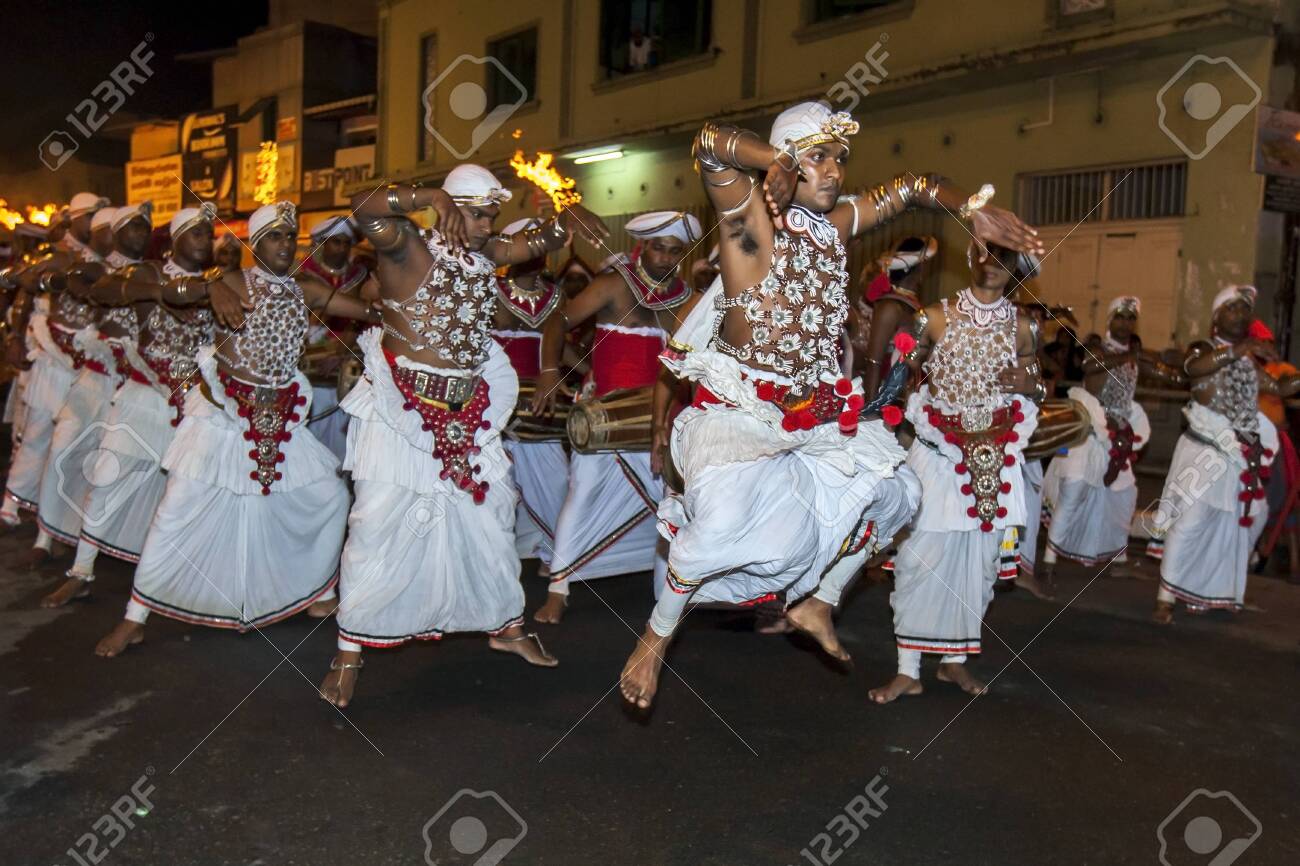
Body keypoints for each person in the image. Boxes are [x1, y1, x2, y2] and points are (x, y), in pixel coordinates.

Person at [618, 101, 1044, 710]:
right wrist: (776, 162)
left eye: (840, 159)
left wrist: (974, 209)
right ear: (789, 156)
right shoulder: (749, 223)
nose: (835, 171)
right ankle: (656, 638)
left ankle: (820, 600)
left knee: (901, 493)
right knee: (716, 531)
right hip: (739, 412)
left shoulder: (835, 226)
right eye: (819, 156)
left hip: (813, 412)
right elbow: (711, 143)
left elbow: (911, 189)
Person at [318, 168, 610, 707]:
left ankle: (507, 626)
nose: (485, 226)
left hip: (469, 409)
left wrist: (569, 214)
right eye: (476, 213)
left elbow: (544, 237)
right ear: (448, 208)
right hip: (402, 414)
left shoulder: (486, 255)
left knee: (493, 523)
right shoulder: (405, 248)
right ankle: (348, 653)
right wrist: (427, 195)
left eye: (491, 215)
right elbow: (362, 207)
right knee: (377, 530)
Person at [94, 201, 379, 657]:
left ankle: (316, 592)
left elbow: (367, 312)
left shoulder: (304, 289)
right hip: (221, 417)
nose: (285, 245)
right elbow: (170, 293)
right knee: (177, 511)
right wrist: (208, 288)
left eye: (290, 237)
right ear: (254, 244)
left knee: (329, 498)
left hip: (280, 418)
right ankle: (135, 616)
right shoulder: (229, 281)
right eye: (274, 237)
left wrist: (399, 310)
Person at [869, 241, 1044, 705]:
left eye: (1005, 260)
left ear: (1015, 269)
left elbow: (1037, 385)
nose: (993, 266)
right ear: (971, 259)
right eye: (986, 256)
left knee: (978, 566)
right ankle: (908, 670)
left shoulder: (1025, 326)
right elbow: (901, 374)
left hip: (996, 461)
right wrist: (875, 417)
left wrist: (1032, 385)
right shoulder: (934, 316)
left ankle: (953, 662)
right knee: (917, 559)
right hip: (936, 453)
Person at [39, 204, 217, 607]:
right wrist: (160, 293)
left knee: (184, 492)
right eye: (197, 232)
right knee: (105, 478)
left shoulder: (214, 285)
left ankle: (166, 582)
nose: (206, 241)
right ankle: (81, 571)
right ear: (175, 238)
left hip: (190, 405)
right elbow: (100, 290)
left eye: (209, 234)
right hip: (141, 397)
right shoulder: (149, 273)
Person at [531, 211, 698, 624]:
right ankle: (558, 588)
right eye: (659, 247)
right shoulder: (613, 285)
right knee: (581, 492)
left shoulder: (687, 299)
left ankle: (666, 600)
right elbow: (558, 320)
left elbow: (693, 363)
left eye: (675, 251)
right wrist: (550, 371)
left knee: (672, 505)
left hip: (661, 417)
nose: (665, 257)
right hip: (605, 415)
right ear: (643, 245)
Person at [1149, 285, 1300, 624]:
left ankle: (1211, 590)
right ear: (1216, 319)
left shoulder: (1248, 361)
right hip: (1205, 447)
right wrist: (1241, 348)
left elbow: (1278, 388)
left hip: (1241, 454)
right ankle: (1165, 598)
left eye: (1245, 309)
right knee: (1190, 522)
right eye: (1232, 308)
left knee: (1248, 520)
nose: (1241, 313)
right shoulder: (1204, 348)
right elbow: (1194, 369)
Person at [32, 203, 154, 563]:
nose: (140, 234)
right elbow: (74, 279)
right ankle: (46, 537)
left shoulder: (153, 272)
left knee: (120, 469)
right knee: (62, 449)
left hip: (135, 388)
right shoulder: (95, 269)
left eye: (145, 228)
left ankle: (113, 547)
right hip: (95, 381)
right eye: (132, 227)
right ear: (115, 233)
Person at [1041, 296, 1183, 583]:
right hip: (1089, 431)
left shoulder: (1135, 357)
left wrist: (1176, 369)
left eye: (1131, 318)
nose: (1126, 323)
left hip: (1118, 437)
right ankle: (1048, 560)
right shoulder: (1097, 347)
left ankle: (1119, 559)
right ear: (1110, 320)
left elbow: (1163, 370)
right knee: (1074, 491)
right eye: (1121, 316)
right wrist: (1132, 356)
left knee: (1124, 497)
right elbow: (1090, 367)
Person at [1, 194, 110, 536]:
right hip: (50, 356)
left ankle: (55, 516)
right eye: (89, 216)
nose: (94, 223)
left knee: (71, 441)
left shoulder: (103, 259)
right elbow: (24, 295)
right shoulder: (54, 255)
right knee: (36, 432)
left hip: (86, 362)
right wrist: (14, 338)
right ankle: (11, 505)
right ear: (75, 219)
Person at [490, 216, 569, 571]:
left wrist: (585, 372)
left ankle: (552, 549)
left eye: (542, 245)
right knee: (496, 485)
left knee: (555, 481)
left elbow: (558, 347)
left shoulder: (557, 296)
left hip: (539, 405)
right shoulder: (489, 291)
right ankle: (495, 555)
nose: (536, 253)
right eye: (529, 244)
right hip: (494, 402)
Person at [299, 216, 370, 462]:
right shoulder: (303, 276)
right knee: (310, 450)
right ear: (321, 244)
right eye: (335, 242)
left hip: (347, 376)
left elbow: (363, 323)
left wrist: (342, 354)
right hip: (310, 377)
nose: (341, 248)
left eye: (345, 243)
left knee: (343, 452)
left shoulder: (359, 278)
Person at [860, 236, 937, 401]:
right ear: (918, 267)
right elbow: (874, 362)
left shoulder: (913, 305)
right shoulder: (890, 306)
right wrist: (870, 411)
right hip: (887, 400)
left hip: (911, 398)